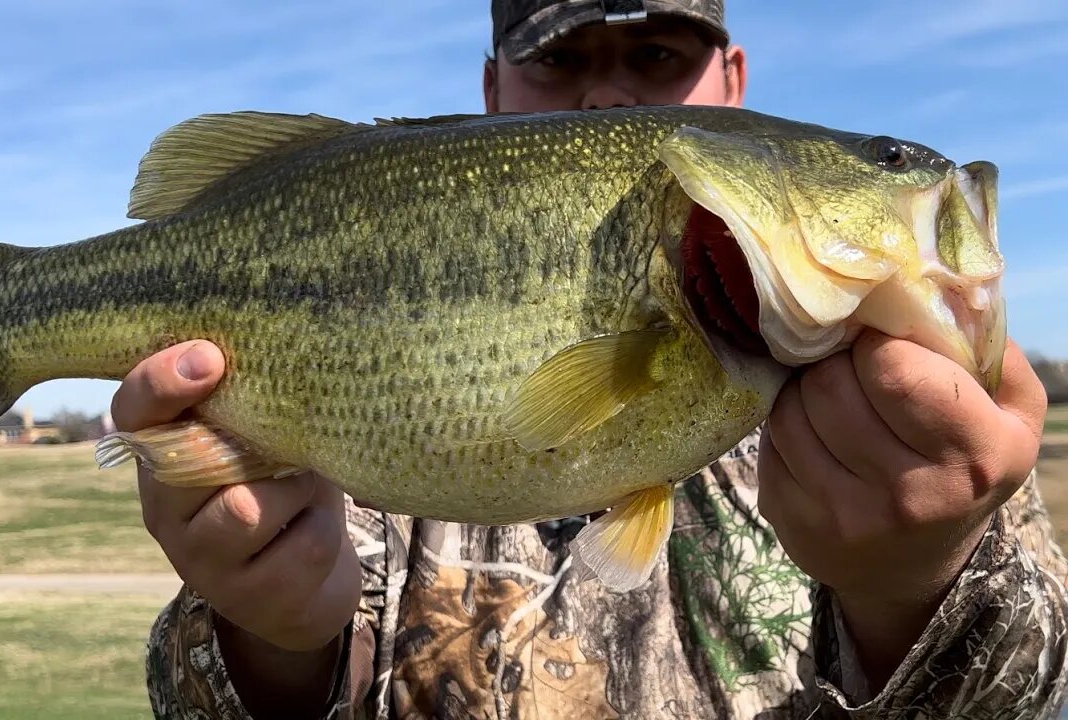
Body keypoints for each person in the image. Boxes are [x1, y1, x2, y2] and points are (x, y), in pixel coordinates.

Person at [117, 2, 1068, 718]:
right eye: (558, 58)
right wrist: (269, 639)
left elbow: (1032, 682)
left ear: (733, 84)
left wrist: (915, 584)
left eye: (658, 54)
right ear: (491, 92)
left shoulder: (910, 421)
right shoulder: (345, 439)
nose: (608, 92)